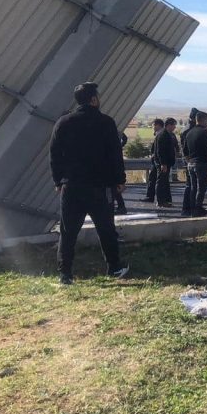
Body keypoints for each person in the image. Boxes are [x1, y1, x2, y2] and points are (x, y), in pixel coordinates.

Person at [49, 82, 129, 284]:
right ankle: (114, 268)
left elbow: (54, 155)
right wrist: (119, 180)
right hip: (100, 187)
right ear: (94, 99)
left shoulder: (63, 122)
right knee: (106, 229)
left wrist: (58, 180)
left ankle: (65, 274)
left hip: (72, 186)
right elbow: (115, 155)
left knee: (68, 232)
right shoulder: (106, 122)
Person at [181, 110, 207, 216]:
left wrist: (189, 161)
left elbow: (185, 150)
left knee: (193, 187)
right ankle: (198, 209)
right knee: (201, 188)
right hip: (201, 163)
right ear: (203, 120)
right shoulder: (204, 131)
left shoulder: (189, 132)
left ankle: (193, 209)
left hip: (191, 164)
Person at [151, 117, 178, 208]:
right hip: (163, 164)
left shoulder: (167, 134)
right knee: (161, 182)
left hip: (166, 163)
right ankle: (160, 201)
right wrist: (163, 164)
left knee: (165, 182)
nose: (174, 127)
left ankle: (166, 200)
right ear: (169, 125)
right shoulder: (163, 135)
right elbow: (160, 151)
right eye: (174, 125)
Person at [142, 118, 164, 202]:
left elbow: (160, 149)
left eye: (153, 125)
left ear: (158, 125)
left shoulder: (161, 134)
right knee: (153, 179)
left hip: (157, 161)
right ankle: (151, 197)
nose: (152, 127)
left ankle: (152, 197)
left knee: (154, 180)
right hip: (157, 161)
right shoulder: (159, 134)